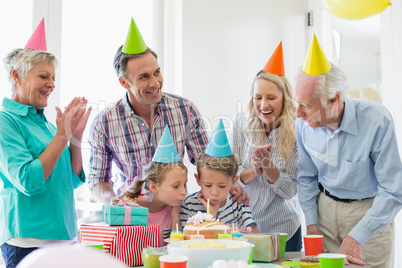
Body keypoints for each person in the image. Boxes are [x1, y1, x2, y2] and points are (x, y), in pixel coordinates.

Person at [88, 18, 248, 206]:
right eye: (144, 77)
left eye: (157, 72)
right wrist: (114, 201)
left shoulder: (184, 110)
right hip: (132, 215)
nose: (155, 83)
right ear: (124, 83)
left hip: (175, 214)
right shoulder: (104, 123)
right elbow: (98, 179)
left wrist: (229, 185)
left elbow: (207, 163)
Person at [293, 35, 402, 267]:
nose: (297, 114)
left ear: (334, 100)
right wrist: (311, 224)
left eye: (306, 105)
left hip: (369, 216)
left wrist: (358, 236)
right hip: (324, 214)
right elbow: (306, 177)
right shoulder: (303, 125)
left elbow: (393, 190)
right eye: (297, 103)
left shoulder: (376, 121)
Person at [0, 19, 91, 267]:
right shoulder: (5, 122)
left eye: (53, 76)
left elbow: (69, 181)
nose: (51, 84)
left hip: (65, 239)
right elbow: (28, 181)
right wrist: (62, 136)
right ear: (16, 76)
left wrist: (75, 138)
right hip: (28, 244)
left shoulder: (49, 126)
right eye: (43, 76)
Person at [229, 42, 303, 251]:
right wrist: (255, 170)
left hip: (285, 229)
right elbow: (230, 177)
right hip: (245, 226)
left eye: (271, 97)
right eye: (258, 97)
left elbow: (292, 191)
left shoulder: (298, 131)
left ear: (285, 99)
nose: (263, 105)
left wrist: (270, 169)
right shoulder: (240, 123)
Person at [112, 126, 187, 246]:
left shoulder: (175, 209)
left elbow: (175, 247)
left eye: (184, 185)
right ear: (153, 187)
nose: (184, 191)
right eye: (176, 186)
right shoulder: (130, 207)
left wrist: (176, 215)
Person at [181, 120, 259, 232]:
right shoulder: (188, 204)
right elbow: (187, 242)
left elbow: (256, 234)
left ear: (233, 181)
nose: (214, 192)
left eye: (222, 186)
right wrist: (211, 216)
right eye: (208, 185)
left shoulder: (237, 203)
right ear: (198, 179)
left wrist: (247, 233)